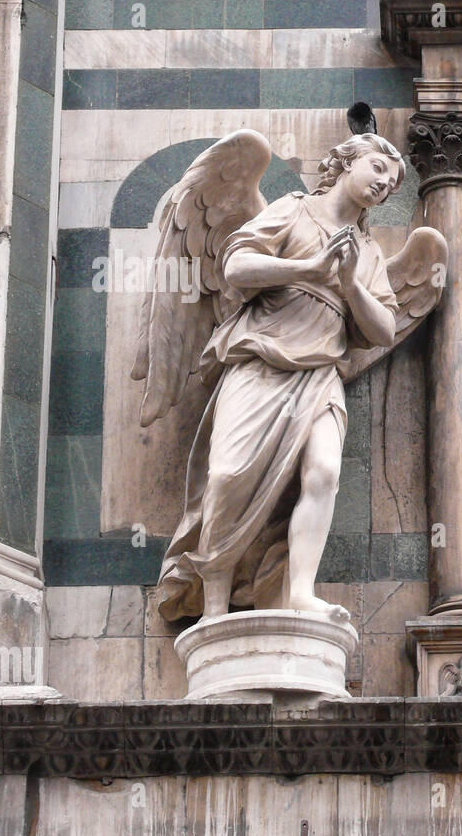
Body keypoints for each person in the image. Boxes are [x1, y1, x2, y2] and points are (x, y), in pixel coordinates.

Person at [158, 134, 403, 623]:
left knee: (324, 472)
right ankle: (213, 601)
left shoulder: (368, 252)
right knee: (227, 476)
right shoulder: (294, 210)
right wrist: (310, 268)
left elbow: (384, 329)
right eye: (378, 168)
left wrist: (349, 283)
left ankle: (301, 592)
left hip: (320, 374)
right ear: (345, 162)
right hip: (261, 361)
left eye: (393, 182)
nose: (384, 183)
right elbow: (235, 266)